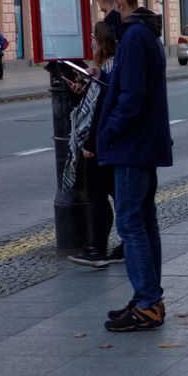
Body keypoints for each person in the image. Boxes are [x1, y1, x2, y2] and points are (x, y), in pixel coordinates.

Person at [94, 0, 172, 332]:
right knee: (144, 217)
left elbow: (132, 97)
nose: (105, 17)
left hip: (132, 145)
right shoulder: (145, 34)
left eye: (105, 10)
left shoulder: (135, 37)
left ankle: (147, 302)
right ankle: (149, 297)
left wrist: (108, 132)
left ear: (119, 5)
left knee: (130, 222)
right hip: (143, 143)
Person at [65, 22, 123, 269]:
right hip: (107, 142)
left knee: (97, 196)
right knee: (116, 194)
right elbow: (92, 102)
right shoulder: (105, 68)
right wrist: (78, 91)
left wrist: (90, 143)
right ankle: (123, 246)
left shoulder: (109, 67)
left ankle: (96, 249)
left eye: (93, 37)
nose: (91, 42)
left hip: (100, 143)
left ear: (103, 42)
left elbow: (101, 109)